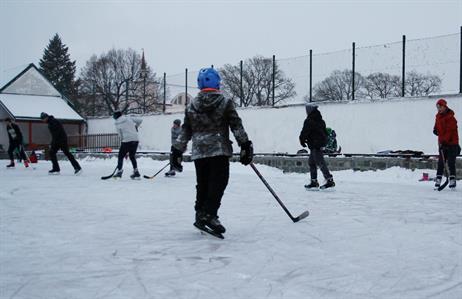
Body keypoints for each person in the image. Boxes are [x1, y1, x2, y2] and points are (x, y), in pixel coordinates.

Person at [171, 67, 253, 236]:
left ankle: (200, 213)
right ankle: (209, 214)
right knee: (219, 182)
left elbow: (186, 130)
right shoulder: (224, 102)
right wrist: (245, 145)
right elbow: (236, 125)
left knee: (203, 183)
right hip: (218, 150)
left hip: (200, 152)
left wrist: (177, 149)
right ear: (217, 82)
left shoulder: (192, 105)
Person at [299, 104, 335, 189]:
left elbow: (305, 131)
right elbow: (325, 132)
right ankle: (314, 181)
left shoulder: (309, 120)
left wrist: (302, 140)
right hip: (317, 143)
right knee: (312, 162)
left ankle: (329, 180)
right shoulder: (320, 119)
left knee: (320, 162)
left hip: (315, 144)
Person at [433, 98, 460, 189]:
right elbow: (437, 126)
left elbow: (450, 131)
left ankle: (452, 180)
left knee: (451, 162)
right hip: (442, 143)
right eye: (437, 107)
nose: (439, 109)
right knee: (441, 162)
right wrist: (435, 129)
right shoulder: (438, 117)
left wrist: (444, 141)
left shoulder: (451, 118)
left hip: (452, 143)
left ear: (444, 106)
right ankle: (438, 179)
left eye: (440, 107)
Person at [112, 111, 143, 179]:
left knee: (120, 156)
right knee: (132, 156)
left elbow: (120, 135)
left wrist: (123, 142)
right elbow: (140, 120)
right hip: (135, 139)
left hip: (126, 141)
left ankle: (119, 171)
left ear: (116, 116)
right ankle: (136, 172)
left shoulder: (117, 123)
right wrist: (136, 127)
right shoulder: (128, 117)